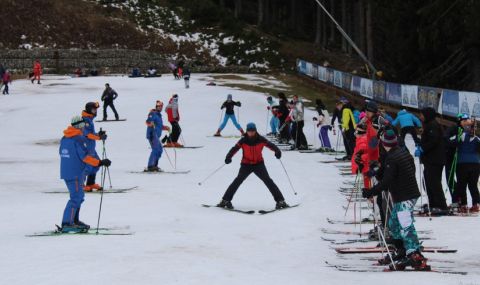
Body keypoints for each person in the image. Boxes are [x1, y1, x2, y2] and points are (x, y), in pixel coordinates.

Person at [362, 129, 429, 271]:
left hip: (406, 195)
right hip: (406, 194)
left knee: (405, 225)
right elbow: (389, 173)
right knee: (393, 223)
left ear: (385, 143)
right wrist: (375, 172)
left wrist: (371, 192)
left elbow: (387, 180)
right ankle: (402, 250)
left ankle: (414, 254)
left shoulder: (392, 157)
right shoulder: (401, 152)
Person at [217, 122, 289, 210]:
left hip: (259, 164)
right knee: (237, 181)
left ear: (255, 131)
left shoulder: (261, 139)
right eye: (249, 131)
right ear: (246, 131)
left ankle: (280, 201)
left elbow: (271, 145)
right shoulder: (243, 140)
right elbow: (234, 148)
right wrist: (228, 157)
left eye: (252, 131)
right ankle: (225, 200)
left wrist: (277, 151)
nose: (251, 133)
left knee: (268, 181)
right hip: (246, 165)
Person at [59, 116, 111, 233]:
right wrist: (100, 162)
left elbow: (62, 153)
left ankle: (74, 220)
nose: (83, 128)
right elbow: (85, 157)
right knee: (76, 198)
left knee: (79, 197)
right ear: (77, 126)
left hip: (69, 173)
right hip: (75, 173)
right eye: (82, 126)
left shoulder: (65, 138)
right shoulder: (78, 139)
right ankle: (67, 223)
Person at [416, 107, 448, 214]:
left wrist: (422, 148)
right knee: (427, 182)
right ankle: (433, 203)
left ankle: (441, 205)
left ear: (427, 115)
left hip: (435, 159)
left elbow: (433, 140)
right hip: (430, 159)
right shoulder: (428, 124)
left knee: (434, 182)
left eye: (422, 115)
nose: (420, 117)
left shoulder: (433, 125)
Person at [447, 113, 480, 213]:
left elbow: (450, 141)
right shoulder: (477, 139)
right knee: (473, 185)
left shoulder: (461, 136)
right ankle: (476, 203)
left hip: (462, 164)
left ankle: (464, 204)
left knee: (462, 185)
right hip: (475, 164)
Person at [82, 102, 107, 192]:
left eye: (96, 110)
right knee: (86, 167)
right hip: (85, 148)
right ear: (89, 110)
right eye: (93, 110)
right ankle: (81, 185)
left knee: (96, 165)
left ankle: (90, 183)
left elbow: (91, 134)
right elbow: (87, 134)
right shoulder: (85, 120)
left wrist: (99, 134)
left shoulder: (89, 119)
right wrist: (99, 137)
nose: (95, 111)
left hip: (91, 148)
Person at [146, 100, 170, 171]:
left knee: (160, 150)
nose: (160, 108)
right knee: (155, 149)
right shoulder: (153, 113)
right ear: (156, 107)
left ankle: (154, 165)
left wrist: (166, 128)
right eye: (159, 106)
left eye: (161, 106)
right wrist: (151, 124)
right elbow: (147, 121)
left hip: (157, 136)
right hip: (152, 135)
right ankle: (150, 166)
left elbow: (160, 126)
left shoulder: (159, 116)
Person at [351, 123, 370, 188]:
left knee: (367, 181)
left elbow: (365, 153)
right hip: (362, 165)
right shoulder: (360, 140)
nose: (355, 134)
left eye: (357, 132)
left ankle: (370, 196)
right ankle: (369, 195)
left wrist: (360, 161)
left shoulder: (362, 141)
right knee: (366, 180)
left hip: (364, 165)